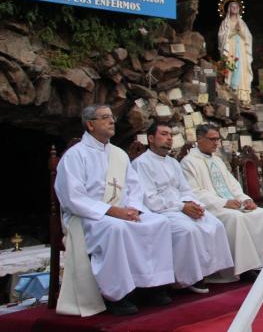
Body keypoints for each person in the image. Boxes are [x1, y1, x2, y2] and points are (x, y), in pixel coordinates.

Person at [54, 105, 174, 316]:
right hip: (87, 216)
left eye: (112, 117)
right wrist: (112, 211)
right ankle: (118, 296)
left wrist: (134, 209)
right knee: (116, 229)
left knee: (159, 223)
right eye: (105, 118)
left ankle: (150, 286)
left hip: (121, 213)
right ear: (90, 124)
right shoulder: (74, 156)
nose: (112, 121)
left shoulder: (118, 154)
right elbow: (73, 198)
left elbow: (135, 188)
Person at [132, 123, 234, 294]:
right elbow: (149, 199)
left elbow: (186, 189)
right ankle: (189, 278)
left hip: (182, 206)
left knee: (214, 223)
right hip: (162, 211)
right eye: (164, 134)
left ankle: (210, 271)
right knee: (187, 230)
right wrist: (181, 206)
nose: (169, 138)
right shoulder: (141, 164)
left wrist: (193, 204)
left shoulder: (173, 162)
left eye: (171, 135)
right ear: (150, 139)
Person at [180, 124, 263, 279]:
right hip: (211, 208)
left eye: (217, 139)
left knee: (262, 214)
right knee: (235, 218)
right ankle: (244, 269)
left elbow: (233, 185)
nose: (216, 143)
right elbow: (195, 192)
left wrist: (245, 199)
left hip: (231, 204)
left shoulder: (217, 161)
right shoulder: (188, 162)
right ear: (199, 139)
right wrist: (223, 202)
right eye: (212, 139)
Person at [217, 0, 253, 103]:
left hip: (241, 48)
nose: (235, 9)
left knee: (241, 68)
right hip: (231, 48)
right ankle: (231, 92)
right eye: (232, 7)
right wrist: (233, 31)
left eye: (237, 7)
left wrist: (240, 30)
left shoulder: (242, 23)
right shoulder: (225, 22)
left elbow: (248, 37)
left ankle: (242, 96)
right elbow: (221, 36)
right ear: (229, 9)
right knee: (231, 67)